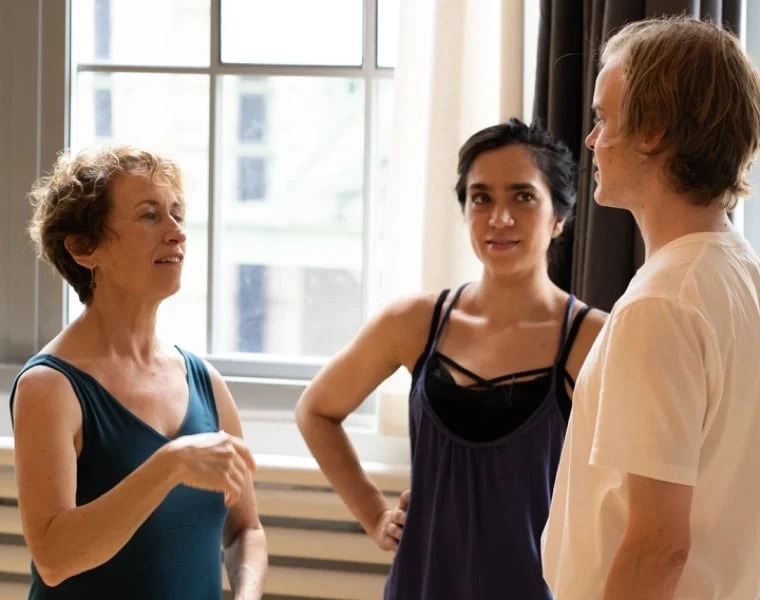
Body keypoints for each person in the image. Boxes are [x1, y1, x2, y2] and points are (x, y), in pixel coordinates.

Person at [295, 118, 606, 599]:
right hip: (420, 585)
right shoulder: (414, 322)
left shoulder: (595, 340)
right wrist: (375, 514)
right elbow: (316, 410)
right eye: (481, 198)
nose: (499, 218)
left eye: (522, 196)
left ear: (558, 217)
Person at [542, 15, 760, 600]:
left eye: (604, 118)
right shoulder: (742, 273)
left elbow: (658, 545)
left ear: (655, 130)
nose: (590, 141)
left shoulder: (661, 303)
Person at [10, 146, 268, 599]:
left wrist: (246, 593)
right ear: (83, 247)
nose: (176, 233)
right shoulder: (48, 387)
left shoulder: (205, 382)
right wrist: (169, 465)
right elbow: (54, 559)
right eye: (149, 216)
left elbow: (244, 530)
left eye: (177, 214)